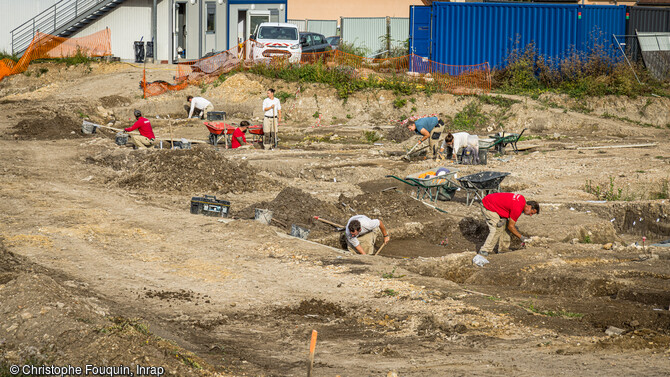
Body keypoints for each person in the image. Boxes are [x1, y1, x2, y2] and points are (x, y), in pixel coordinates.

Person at [479, 192, 540, 256]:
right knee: (497, 228)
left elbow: (507, 205)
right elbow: (511, 226)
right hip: (488, 205)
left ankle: (503, 249)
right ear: (529, 206)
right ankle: (484, 250)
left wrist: (503, 217)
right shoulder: (518, 208)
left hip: (493, 202)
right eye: (532, 213)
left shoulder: (522, 200)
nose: (530, 215)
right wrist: (521, 237)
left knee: (506, 224)